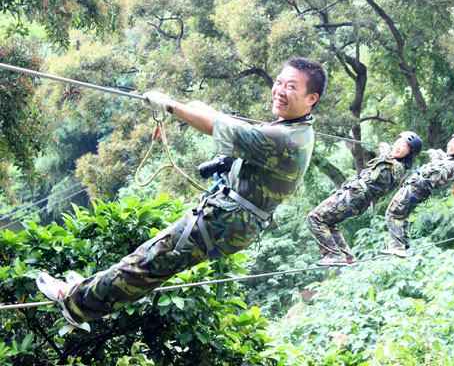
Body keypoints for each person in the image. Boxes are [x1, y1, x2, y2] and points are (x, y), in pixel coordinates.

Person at [35, 57, 327, 325]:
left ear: (311, 98)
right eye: (278, 82)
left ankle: (76, 304)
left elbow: (219, 128)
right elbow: (235, 124)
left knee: (149, 262)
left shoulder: (284, 139)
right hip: (230, 220)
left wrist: (171, 106)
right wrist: (196, 107)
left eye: (291, 86)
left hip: (224, 223)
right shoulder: (296, 129)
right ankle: (89, 290)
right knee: (151, 257)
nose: (279, 90)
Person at [306, 131, 423, 266]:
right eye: (398, 143)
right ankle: (347, 255)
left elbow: (376, 177)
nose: (397, 146)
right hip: (357, 199)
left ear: (410, 153)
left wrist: (384, 155)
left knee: (314, 218)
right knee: (328, 222)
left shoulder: (396, 166)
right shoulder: (395, 165)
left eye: (403, 146)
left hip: (355, 197)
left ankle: (334, 254)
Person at [384, 132, 454, 256]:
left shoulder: (452, 164)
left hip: (415, 189)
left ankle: (398, 247)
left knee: (392, 213)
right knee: (402, 215)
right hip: (418, 192)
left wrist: (435, 160)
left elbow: (437, 177)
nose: (450, 145)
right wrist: (439, 156)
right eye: (451, 142)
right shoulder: (452, 161)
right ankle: (405, 246)